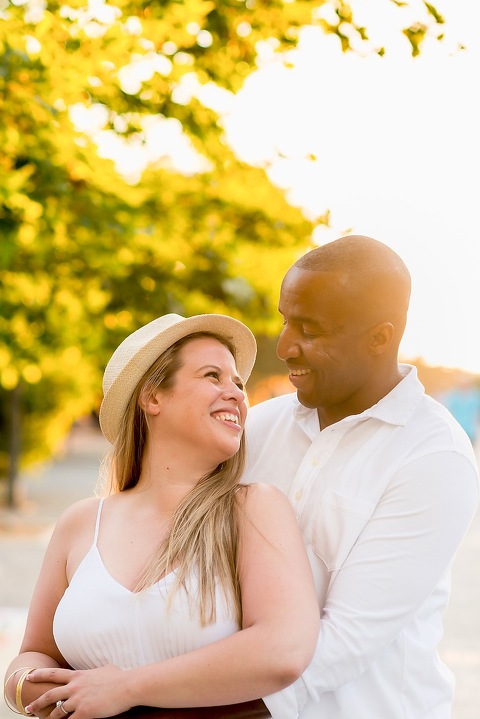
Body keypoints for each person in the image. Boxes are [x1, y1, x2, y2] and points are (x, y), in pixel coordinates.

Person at [4, 313, 319, 719]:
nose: (238, 395)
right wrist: (25, 688)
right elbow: (34, 652)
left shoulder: (253, 508)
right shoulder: (82, 522)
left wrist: (125, 688)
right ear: (152, 397)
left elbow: (283, 650)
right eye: (213, 376)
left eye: (238, 384)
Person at [243, 235, 480, 719]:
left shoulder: (434, 454)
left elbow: (344, 642)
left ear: (380, 337)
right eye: (286, 320)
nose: (285, 345)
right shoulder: (258, 426)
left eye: (309, 329)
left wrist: (175, 710)